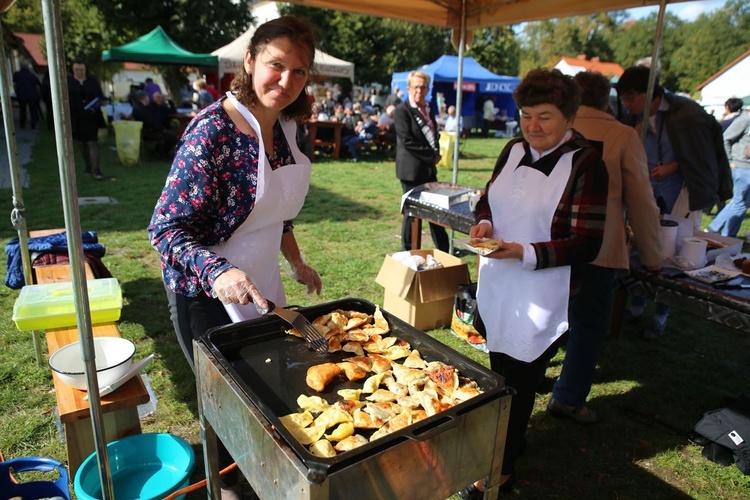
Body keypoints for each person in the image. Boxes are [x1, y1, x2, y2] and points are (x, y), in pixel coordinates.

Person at [147, 16, 322, 500]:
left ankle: (263, 480)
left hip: (262, 284)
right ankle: (226, 490)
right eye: (276, 65)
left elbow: (277, 211)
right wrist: (218, 270)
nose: (286, 82)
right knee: (229, 413)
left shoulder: (286, 127)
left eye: (300, 71)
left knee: (270, 394)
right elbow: (163, 229)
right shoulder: (213, 132)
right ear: (249, 61)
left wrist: (296, 262)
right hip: (204, 295)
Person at [460, 68, 608, 497]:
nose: (532, 126)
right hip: (497, 284)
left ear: (568, 116)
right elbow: (489, 197)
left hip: (544, 291)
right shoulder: (511, 149)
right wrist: (484, 223)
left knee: (520, 381)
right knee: (498, 371)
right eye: (526, 115)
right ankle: (509, 442)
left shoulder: (585, 162)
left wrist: (524, 251)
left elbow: (587, 242)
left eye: (544, 116)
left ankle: (499, 469)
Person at [548, 71, 662, 424]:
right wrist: (654, 255)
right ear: (605, 100)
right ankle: (567, 398)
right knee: (588, 323)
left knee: (545, 315)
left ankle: (533, 378)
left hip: (547, 242)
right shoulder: (622, 135)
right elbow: (642, 202)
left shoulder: (554, 128)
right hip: (597, 247)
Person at [615, 65, 732, 339]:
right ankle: (637, 304)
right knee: (642, 247)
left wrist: (673, 166)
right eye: (625, 99)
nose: (628, 104)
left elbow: (701, 157)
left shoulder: (687, 115)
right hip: (650, 194)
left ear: (649, 93)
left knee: (673, 256)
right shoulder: (640, 120)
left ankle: (660, 316)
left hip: (680, 195)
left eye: (632, 98)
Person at [394, 70, 449, 253]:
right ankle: (408, 251)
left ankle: (443, 248)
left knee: (436, 209)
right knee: (412, 213)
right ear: (409, 88)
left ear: (428, 89)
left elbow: (434, 134)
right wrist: (431, 156)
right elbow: (408, 141)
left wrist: (436, 153)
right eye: (416, 87)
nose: (419, 91)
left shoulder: (429, 107)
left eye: (423, 87)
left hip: (428, 169)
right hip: (411, 169)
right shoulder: (402, 111)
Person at [706, 100, 750, 237]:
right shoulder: (745, 119)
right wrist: (730, 160)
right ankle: (722, 234)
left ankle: (721, 233)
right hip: (741, 167)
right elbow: (725, 138)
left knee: (742, 203)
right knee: (740, 203)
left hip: (744, 166)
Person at [68, 58, 107, 180]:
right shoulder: (68, 82)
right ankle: (87, 165)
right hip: (77, 117)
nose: (80, 71)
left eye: (82, 69)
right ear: (73, 70)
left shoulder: (92, 82)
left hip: (92, 117)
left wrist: (101, 102)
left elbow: (100, 96)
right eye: (77, 69)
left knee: (92, 142)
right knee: (81, 143)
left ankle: (96, 169)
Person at [12, 62, 42, 130]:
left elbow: (15, 85)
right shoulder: (32, 75)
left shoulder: (17, 74)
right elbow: (38, 86)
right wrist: (38, 95)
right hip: (32, 95)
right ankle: (33, 125)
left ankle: (22, 124)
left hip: (22, 95)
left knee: (22, 110)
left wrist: (17, 93)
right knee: (32, 110)